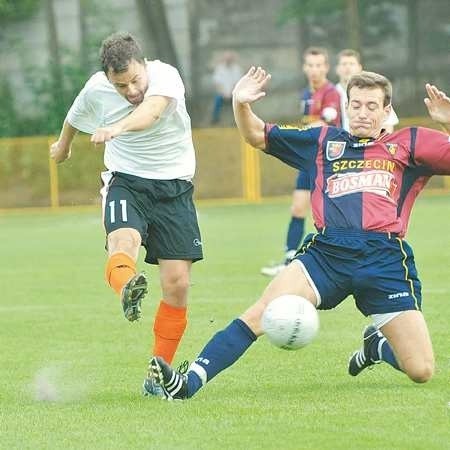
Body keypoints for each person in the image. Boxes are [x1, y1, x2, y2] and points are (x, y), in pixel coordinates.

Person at [146, 70, 450, 400]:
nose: (363, 112)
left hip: (385, 259)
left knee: (421, 370)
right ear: (347, 106)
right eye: (356, 105)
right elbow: (257, 136)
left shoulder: (409, 142)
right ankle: (187, 383)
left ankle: (376, 347)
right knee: (259, 312)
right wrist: (240, 103)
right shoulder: (324, 142)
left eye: (371, 106)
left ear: (385, 110)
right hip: (328, 254)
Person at [49, 32, 203, 396]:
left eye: (135, 80)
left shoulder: (165, 76)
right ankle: (127, 287)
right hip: (126, 180)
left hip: (174, 188)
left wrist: (116, 127)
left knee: (177, 283)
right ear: (108, 78)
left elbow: (151, 113)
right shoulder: (96, 88)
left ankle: (156, 375)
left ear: (143, 64)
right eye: (121, 85)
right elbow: (74, 115)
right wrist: (63, 146)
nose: (131, 90)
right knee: (123, 239)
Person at [261, 47, 341, 276]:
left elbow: (327, 121)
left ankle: (334, 261)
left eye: (319, 65)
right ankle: (289, 261)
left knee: (329, 212)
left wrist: (293, 132)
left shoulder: (331, 92)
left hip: (329, 160)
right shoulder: (306, 94)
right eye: (310, 65)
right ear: (304, 68)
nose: (314, 70)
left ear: (326, 67)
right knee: (297, 207)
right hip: (310, 159)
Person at [335, 48, 399, 132]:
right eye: (344, 64)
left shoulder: (375, 92)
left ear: (359, 67)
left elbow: (388, 125)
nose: (348, 67)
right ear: (337, 69)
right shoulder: (330, 93)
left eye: (352, 64)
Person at [210, 51, 243, 125]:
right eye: (227, 59)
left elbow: (237, 83)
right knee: (217, 101)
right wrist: (224, 93)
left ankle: (239, 120)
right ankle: (215, 119)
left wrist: (231, 93)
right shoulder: (219, 68)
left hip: (233, 93)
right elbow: (217, 83)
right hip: (222, 93)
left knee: (239, 103)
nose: (228, 60)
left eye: (230, 59)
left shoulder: (237, 69)